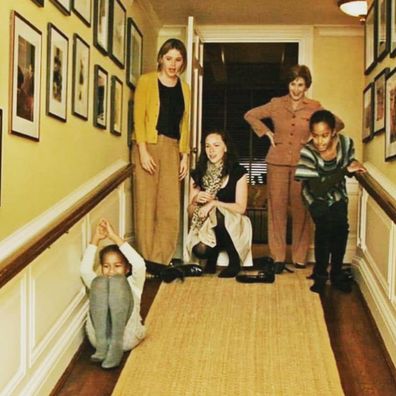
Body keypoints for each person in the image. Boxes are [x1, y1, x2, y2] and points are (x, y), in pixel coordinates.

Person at [244, 64, 345, 273]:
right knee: (276, 209)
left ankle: (299, 257)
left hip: (303, 164)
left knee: (302, 210)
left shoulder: (315, 107)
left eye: (300, 84)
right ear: (288, 84)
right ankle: (278, 257)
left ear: (306, 86)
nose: (296, 89)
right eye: (293, 84)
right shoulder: (276, 103)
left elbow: (338, 123)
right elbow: (250, 115)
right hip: (276, 162)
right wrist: (266, 133)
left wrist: (314, 137)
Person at [295, 110, 366, 293]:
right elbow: (318, 188)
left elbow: (351, 162)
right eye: (316, 136)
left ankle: (336, 275)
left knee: (341, 230)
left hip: (337, 194)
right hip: (315, 196)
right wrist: (344, 170)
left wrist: (353, 167)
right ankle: (320, 276)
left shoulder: (346, 143)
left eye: (325, 135)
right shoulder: (307, 151)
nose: (320, 141)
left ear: (333, 132)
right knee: (325, 229)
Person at [133, 38, 190, 266]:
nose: (172, 64)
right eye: (168, 58)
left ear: (183, 62)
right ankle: (147, 261)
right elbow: (138, 117)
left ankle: (162, 260)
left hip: (173, 148)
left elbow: (184, 123)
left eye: (178, 59)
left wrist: (184, 155)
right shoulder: (146, 81)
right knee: (147, 205)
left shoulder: (185, 88)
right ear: (160, 58)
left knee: (169, 206)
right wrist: (143, 151)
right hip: (148, 145)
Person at [185, 130, 252, 278]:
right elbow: (190, 212)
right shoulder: (197, 174)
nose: (211, 150)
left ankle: (234, 261)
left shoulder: (237, 172)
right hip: (207, 227)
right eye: (208, 146)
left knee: (218, 212)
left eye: (216, 145)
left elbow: (241, 208)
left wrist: (214, 203)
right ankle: (212, 253)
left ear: (225, 147)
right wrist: (196, 200)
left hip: (234, 224)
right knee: (200, 250)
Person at [80, 219, 146, 369]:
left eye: (117, 266)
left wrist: (114, 236)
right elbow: (84, 271)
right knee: (99, 282)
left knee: (117, 282)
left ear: (127, 269)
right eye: (106, 266)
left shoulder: (133, 285)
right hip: (97, 341)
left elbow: (140, 265)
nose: (111, 271)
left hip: (126, 338)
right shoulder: (100, 286)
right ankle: (103, 347)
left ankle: (116, 346)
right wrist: (95, 239)